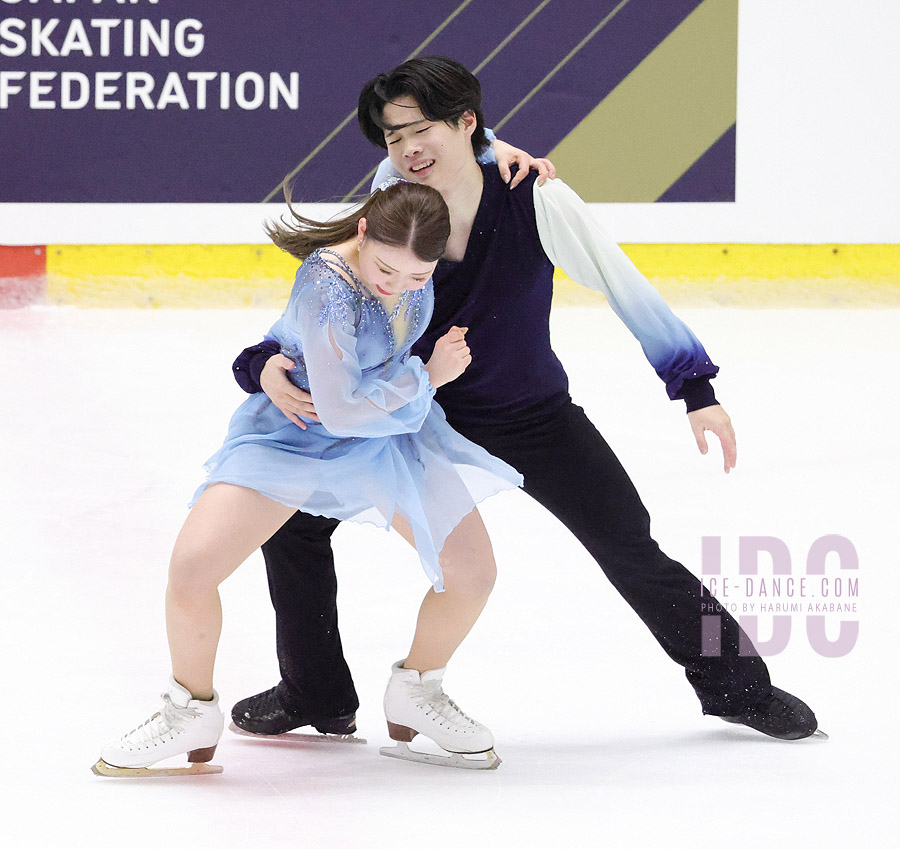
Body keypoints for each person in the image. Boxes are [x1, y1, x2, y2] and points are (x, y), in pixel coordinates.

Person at [231, 56, 821, 743]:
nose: (407, 149)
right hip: (419, 412)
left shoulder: (536, 197)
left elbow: (623, 283)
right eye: (393, 138)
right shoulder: (394, 196)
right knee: (295, 522)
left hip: (529, 412)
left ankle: (741, 688)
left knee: (629, 541)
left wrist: (695, 387)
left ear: (467, 123)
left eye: (421, 130)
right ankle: (317, 689)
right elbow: (330, 297)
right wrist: (264, 362)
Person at [93, 179, 525, 777]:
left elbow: (448, 140)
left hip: (388, 429)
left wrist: (500, 149)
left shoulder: (408, 240)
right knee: (193, 569)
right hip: (298, 434)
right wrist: (429, 377)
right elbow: (339, 407)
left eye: (416, 278)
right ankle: (188, 710)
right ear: (363, 231)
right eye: (385, 270)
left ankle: (417, 691)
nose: (395, 286)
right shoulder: (326, 281)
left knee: (472, 573)